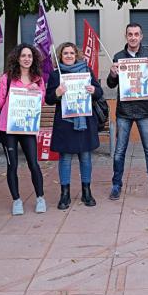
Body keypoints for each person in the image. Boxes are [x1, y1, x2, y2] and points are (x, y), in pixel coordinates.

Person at [106, 22, 148, 200]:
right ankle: (116, 184)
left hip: (145, 111)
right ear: (126, 36)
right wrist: (112, 74)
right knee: (119, 151)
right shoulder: (118, 56)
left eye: (136, 34)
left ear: (141, 37)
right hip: (124, 111)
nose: (133, 37)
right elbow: (110, 84)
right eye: (130, 34)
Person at [45, 43, 103, 209]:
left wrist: (93, 90)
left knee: (85, 157)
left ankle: (86, 191)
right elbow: (49, 98)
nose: (69, 56)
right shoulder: (56, 75)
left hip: (85, 123)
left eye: (72, 53)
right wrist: (57, 93)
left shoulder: (87, 71)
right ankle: (65, 194)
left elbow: (99, 93)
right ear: (60, 56)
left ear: (76, 55)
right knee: (65, 159)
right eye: (65, 53)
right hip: (65, 124)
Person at [0, 43, 46, 215]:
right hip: (8, 128)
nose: (26, 59)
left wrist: (36, 91)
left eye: (29, 56)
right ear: (17, 58)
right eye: (23, 55)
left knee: (33, 163)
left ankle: (40, 198)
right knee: (12, 165)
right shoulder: (7, 78)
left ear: (34, 59)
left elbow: (42, 102)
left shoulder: (38, 79)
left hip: (27, 127)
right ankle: (16, 200)